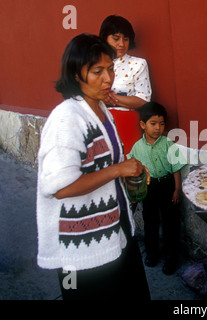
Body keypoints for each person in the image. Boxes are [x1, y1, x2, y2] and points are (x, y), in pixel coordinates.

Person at [36, 33, 150, 300]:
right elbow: (59, 187)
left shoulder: (101, 109)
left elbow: (104, 165)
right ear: (77, 75)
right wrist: (118, 170)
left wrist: (130, 175)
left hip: (116, 230)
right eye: (97, 71)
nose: (108, 78)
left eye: (110, 69)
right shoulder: (66, 119)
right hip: (79, 248)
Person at [127, 102, 186, 275]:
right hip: (149, 189)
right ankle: (151, 253)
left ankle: (171, 257)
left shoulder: (168, 144)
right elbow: (132, 168)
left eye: (161, 124)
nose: (158, 128)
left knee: (171, 223)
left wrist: (177, 190)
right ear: (143, 125)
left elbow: (176, 168)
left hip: (168, 186)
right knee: (150, 222)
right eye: (153, 124)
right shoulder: (137, 147)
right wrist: (134, 191)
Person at [99, 15, 152, 155]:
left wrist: (110, 97)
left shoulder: (138, 64)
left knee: (129, 165)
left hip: (126, 122)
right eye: (116, 39)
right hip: (99, 120)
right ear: (105, 38)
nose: (121, 44)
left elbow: (143, 99)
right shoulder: (95, 62)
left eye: (126, 39)